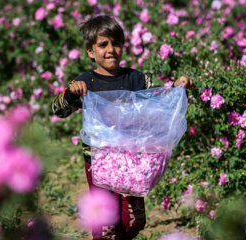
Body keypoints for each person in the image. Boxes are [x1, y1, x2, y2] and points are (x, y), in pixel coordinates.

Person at [52, 15, 192, 240]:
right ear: (90, 51)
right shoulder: (86, 82)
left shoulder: (136, 79)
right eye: (103, 44)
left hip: (133, 161)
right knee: (106, 223)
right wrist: (70, 93)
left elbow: (157, 101)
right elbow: (58, 110)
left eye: (116, 43)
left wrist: (176, 89)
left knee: (135, 221)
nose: (111, 50)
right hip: (99, 162)